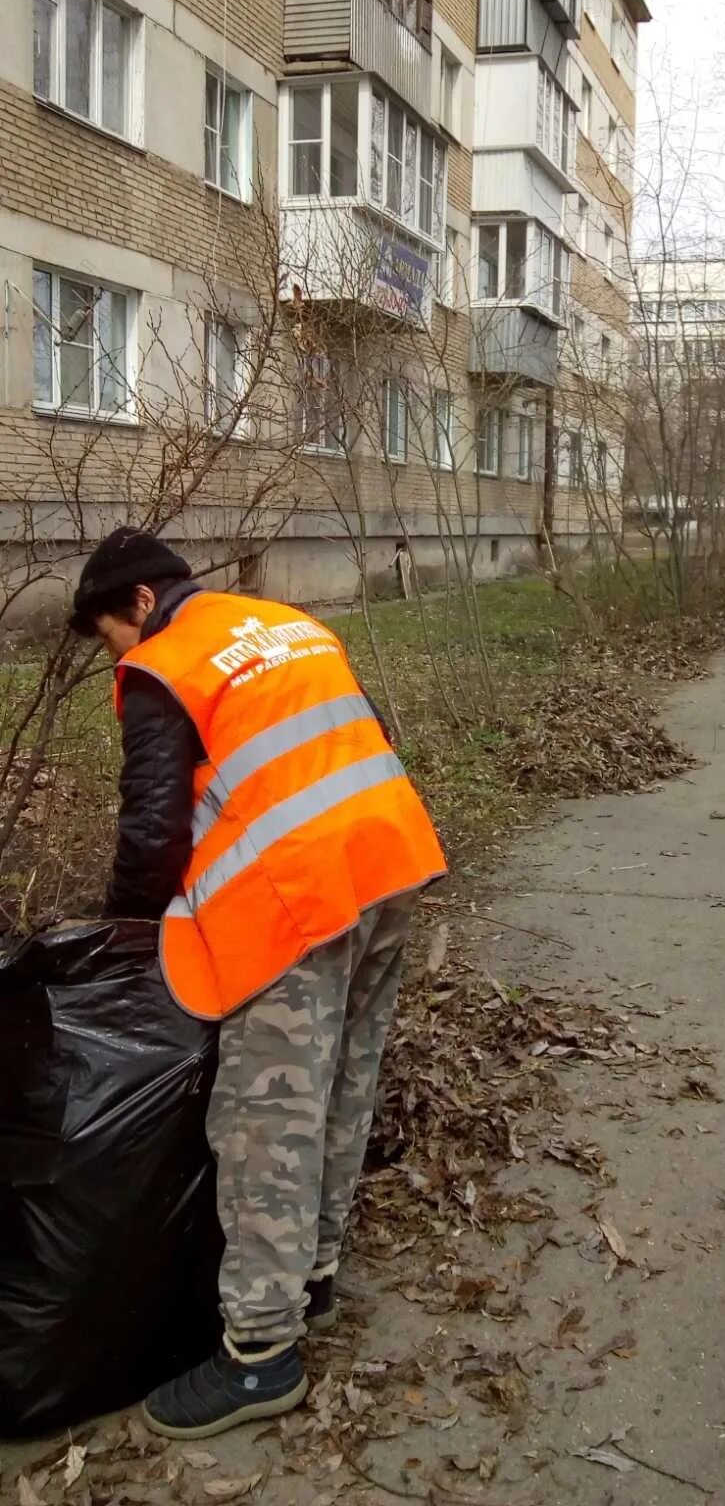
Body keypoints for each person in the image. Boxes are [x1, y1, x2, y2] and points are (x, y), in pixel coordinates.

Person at [69, 529, 446, 1440]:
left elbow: (153, 826)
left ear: (142, 605)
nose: (119, 656)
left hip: (297, 906)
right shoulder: (287, 624)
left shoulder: (169, 663)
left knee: (268, 1117)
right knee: (345, 1084)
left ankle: (260, 1355)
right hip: (388, 865)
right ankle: (312, 1278)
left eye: (112, 636)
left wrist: (120, 942)